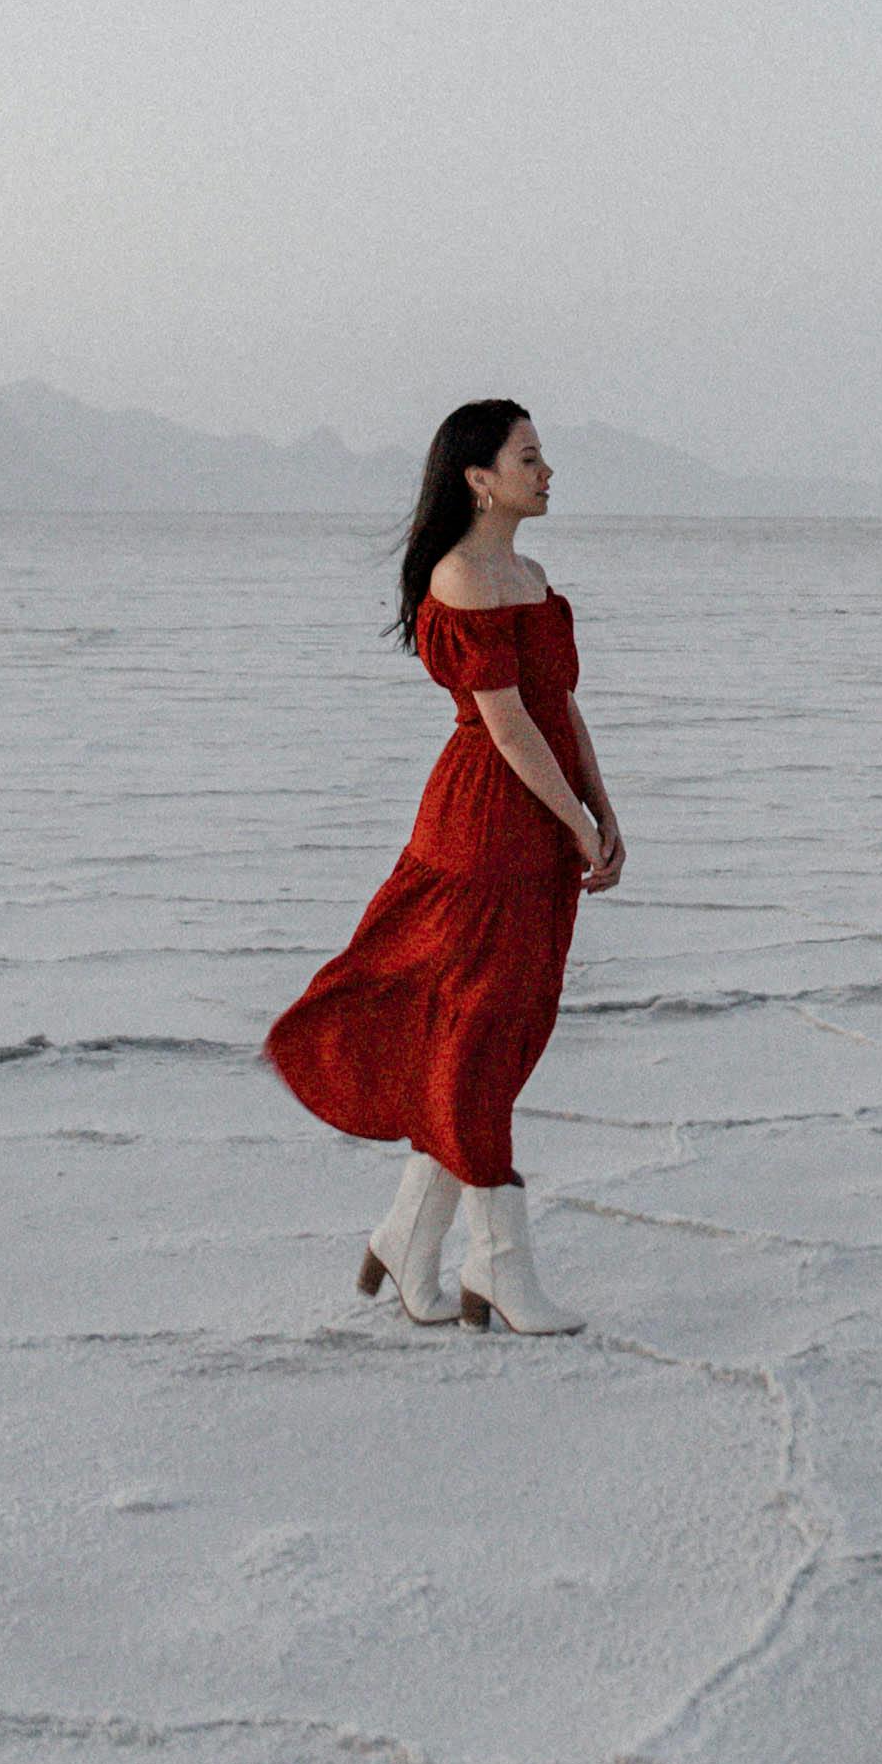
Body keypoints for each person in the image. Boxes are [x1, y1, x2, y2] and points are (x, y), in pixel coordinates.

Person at [263, 401, 621, 1336]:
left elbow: (560, 709)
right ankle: (499, 1265)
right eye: (530, 457)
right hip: (481, 827)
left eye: (545, 456)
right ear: (479, 477)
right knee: (474, 1039)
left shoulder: (533, 576)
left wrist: (604, 809)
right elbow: (504, 724)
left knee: (498, 1038)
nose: (548, 472)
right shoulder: (461, 578)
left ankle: (404, 1239)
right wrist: (574, 818)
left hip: (540, 823)